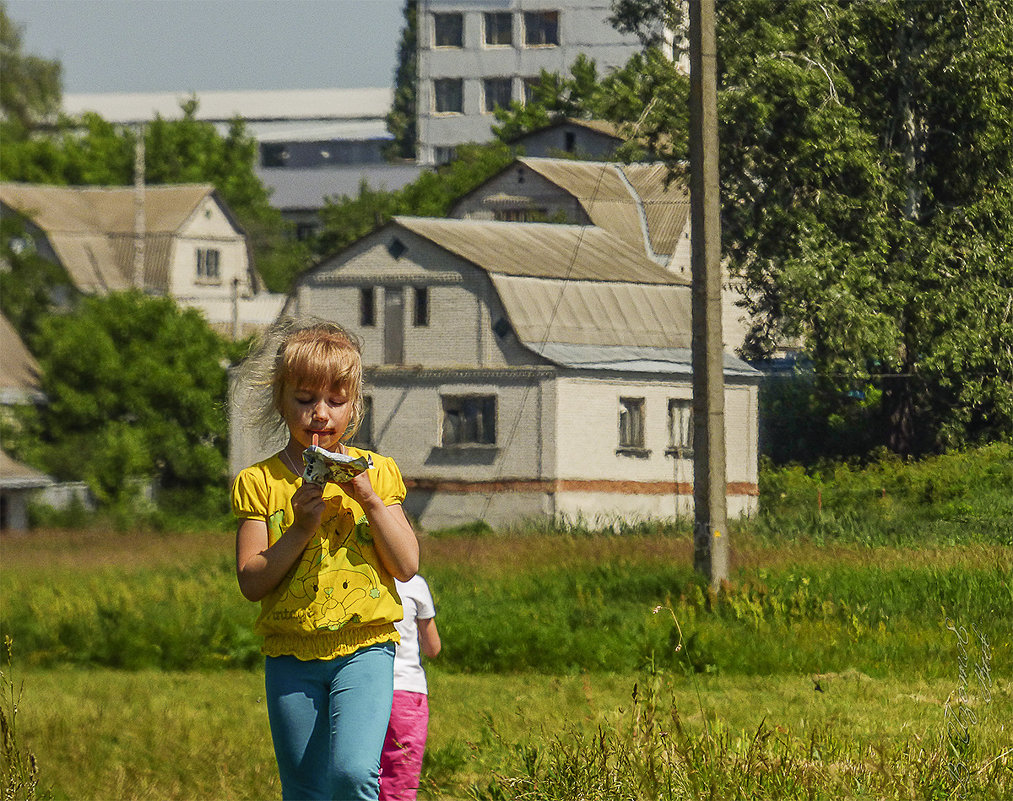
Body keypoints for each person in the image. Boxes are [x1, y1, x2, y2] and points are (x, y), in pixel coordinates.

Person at [231, 320, 419, 801]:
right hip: (290, 651)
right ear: (281, 399)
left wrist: (371, 501)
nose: (320, 414)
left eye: (335, 401)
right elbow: (252, 581)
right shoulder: (261, 481)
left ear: (354, 404)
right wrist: (299, 529)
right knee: (305, 789)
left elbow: (406, 565)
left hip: (365, 645)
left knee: (353, 774)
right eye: (304, 399)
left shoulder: (377, 472)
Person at [379, 575, 441, 801]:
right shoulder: (415, 584)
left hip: (363, 688)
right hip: (406, 690)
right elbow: (432, 648)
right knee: (400, 779)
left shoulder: (360, 577)